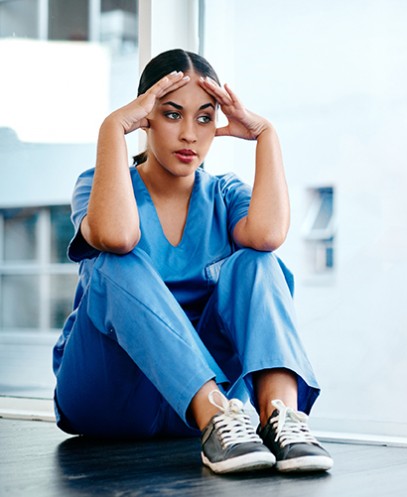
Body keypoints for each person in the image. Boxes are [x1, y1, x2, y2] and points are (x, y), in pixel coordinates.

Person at [52, 48, 333, 474]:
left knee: (256, 260)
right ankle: (216, 411)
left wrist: (266, 135)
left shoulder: (223, 192)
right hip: (110, 393)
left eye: (204, 118)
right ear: (144, 117)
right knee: (114, 261)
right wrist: (113, 126)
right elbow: (117, 235)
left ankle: (283, 420)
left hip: (208, 423)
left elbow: (268, 235)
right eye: (171, 114)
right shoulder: (98, 184)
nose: (190, 134)